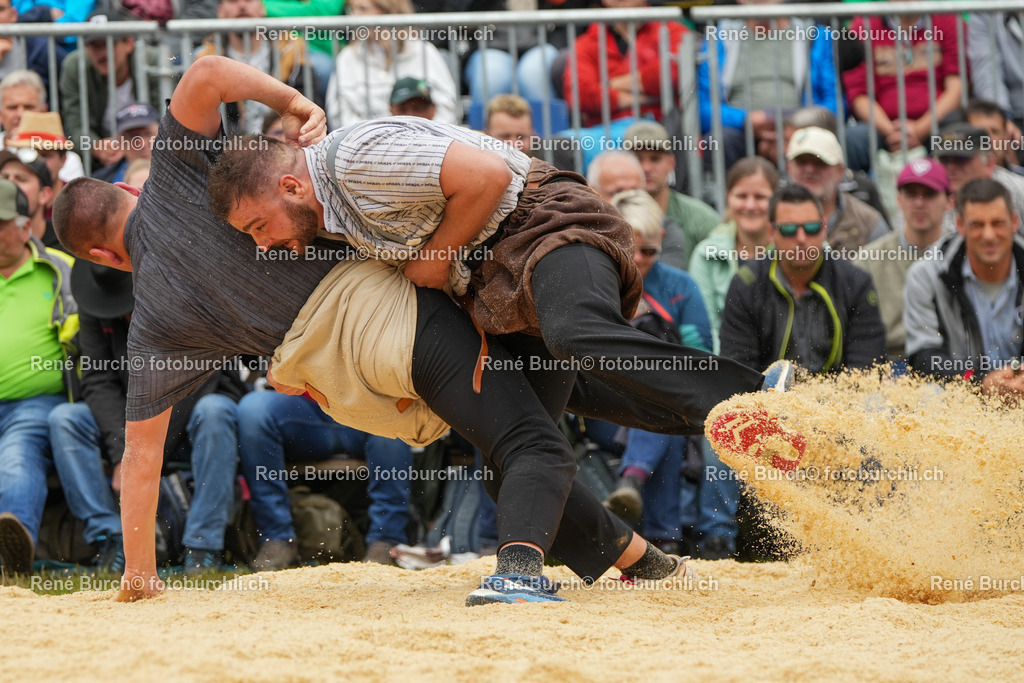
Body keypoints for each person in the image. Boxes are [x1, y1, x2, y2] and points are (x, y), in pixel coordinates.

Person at [53, 56, 704, 605]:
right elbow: (205, 72)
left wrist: (139, 577)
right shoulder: (174, 178)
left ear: (101, 260)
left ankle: (639, 554)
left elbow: (140, 462)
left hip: (353, 389)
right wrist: (294, 101)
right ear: (129, 197)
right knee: (525, 437)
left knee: (532, 404)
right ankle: (530, 565)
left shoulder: (153, 326)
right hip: (384, 316)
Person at [49, 260, 246, 575]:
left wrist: (147, 453)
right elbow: (98, 381)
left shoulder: (189, 298)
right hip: (125, 429)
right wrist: (123, 455)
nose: (125, 314)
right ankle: (113, 538)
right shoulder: (92, 305)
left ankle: (203, 545)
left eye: (129, 305)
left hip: (190, 417)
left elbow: (205, 379)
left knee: (216, 411)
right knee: (66, 419)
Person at [600, 189, 711, 555]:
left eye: (648, 251)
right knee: (662, 412)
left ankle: (633, 479)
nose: (638, 259)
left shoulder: (681, 286)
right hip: (604, 404)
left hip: (669, 398)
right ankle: (667, 541)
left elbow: (701, 359)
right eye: (628, 249)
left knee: (664, 409)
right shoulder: (597, 284)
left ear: (661, 242)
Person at [719, 183, 886, 374]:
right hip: (768, 399)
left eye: (812, 228)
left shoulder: (856, 282)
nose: (801, 238)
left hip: (841, 399)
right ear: (770, 233)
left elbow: (867, 367)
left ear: (824, 229)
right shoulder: (745, 285)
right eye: (789, 230)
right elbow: (739, 369)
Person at [236, 390, 414, 569]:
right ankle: (277, 538)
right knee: (253, 409)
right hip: (303, 408)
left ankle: (387, 540)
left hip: (366, 408)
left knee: (394, 408)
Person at [0, 178, 76, 574]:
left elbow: (85, 342)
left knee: (16, 457)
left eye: (0, 223)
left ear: (25, 226)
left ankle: (12, 557)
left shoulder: (59, 270)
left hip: (36, 401)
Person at [904, 178, 1024, 404]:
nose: (989, 235)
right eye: (977, 225)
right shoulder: (926, 274)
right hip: (962, 396)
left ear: (1014, 222)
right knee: (929, 395)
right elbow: (924, 358)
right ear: (960, 225)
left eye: (997, 223)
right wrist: (982, 384)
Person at [697, 0, 837, 169]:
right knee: (720, 140)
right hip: (740, 133)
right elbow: (703, 109)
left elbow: (833, 102)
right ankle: (734, 195)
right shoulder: (718, 37)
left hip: (801, 130)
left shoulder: (814, 35)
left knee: (815, 142)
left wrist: (795, 127)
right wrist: (746, 120)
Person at [854, 158, 952, 365]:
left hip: (946, 361)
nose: (919, 202)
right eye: (911, 193)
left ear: (949, 201)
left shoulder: (962, 255)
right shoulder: (868, 259)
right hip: (886, 363)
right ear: (898, 199)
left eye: (929, 194)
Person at [689, 156, 779, 352]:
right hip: (730, 364)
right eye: (741, 196)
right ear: (728, 197)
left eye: (760, 197)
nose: (750, 205)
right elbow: (707, 325)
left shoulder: (798, 248)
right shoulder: (706, 254)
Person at [842, 10, 962, 155]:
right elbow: (859, 94)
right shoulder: (863, 25)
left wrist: (919, 130)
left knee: (959, 138)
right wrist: (892, 132)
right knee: (852, 138)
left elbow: (956, 88)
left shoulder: (947, 20)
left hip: (937, 124)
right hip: (883, 128)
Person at [324, 0, 458, 128]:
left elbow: (448, 110)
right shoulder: (347, 58)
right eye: (352, 9)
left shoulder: (425, 52)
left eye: (363, 9)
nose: (354, 17)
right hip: (367, 149)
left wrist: (424, 142)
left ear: (388, 11)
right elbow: (340, 117)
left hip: (425, 147)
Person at [194, 0, 321, 134]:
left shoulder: (292, 48)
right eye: (233, 1)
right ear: (220, 11)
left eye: (249, 0)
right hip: (232, 147)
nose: (242, 5)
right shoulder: (206, 59)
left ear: (262, 8)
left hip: (283, 141)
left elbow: (307, 102)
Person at [59, 9, 165, 169]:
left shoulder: (152, 60)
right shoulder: (75, 67)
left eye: (110, 44)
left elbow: (166, 116)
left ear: (128, 44)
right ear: (86, 48)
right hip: (105, 161)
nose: (103, 53)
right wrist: (95, 146)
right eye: (95, 46)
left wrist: (143, 145)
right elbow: (76, 123)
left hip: (151, 149)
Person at [565, 0, 689, 128]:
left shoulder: (673, 31)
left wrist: (607, 85)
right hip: (601, 133)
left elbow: (674, 72)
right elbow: (580, 96)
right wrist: (651, 97)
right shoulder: (585, 44)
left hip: (657, 129)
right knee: (560, 143)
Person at [622, 120, 720, 265]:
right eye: (637, 158)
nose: (646, 167)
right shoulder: (611, 216)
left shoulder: (702, 219)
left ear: (671, 163)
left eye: (655, 159)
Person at [785, 126, 889, 253]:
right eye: (802, 162)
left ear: (839, 171)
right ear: (788, 168)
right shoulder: (770, 218)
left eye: (819, 162)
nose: (810, 170)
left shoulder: (868, 222)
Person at [586, 149, 688, 271]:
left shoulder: (662, 227)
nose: (628, 198)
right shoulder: (578, 230)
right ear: (593, 193)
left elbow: (668, 284)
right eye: (618, 192)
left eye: (648, 251)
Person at [933, 123, 1024, 233]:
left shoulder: (1018, 189)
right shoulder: (929, 196)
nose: (951, 167)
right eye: (945, 160)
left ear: (989, 163)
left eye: (960, 159)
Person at [0, 147, 55, 249]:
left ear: (43, 195)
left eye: (21, 179)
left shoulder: (68, 246)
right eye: (5, 178)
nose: (10, 185)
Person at [92, 102, 159, 184]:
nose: (142, 144)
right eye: (133, 136)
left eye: (148, 134)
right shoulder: (100, 182)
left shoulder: (178, 175)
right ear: (119, 141)